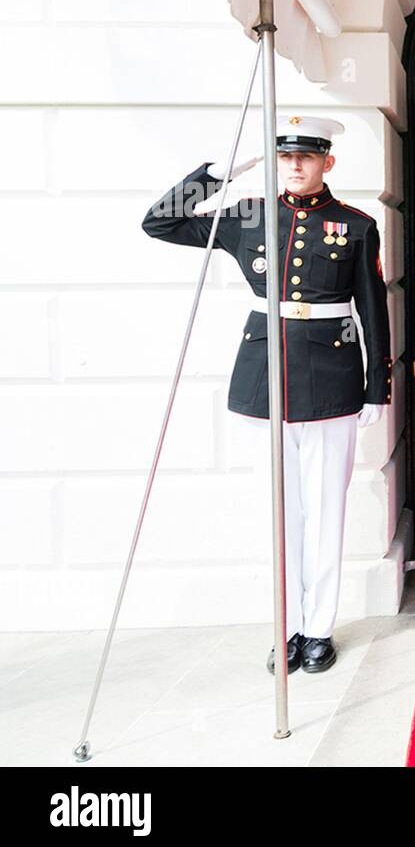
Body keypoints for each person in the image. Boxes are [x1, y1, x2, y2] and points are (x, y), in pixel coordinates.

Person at [142, 114, 392, 674]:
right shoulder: (249, 214)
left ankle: (319, 629)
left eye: (306, 156)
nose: (295, 165)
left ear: (328, 161)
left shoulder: (354, 225)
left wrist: (379, 384)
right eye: (285, 157)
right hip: (263, 378)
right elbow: (159, 222)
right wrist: (217, 173)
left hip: (331, 382)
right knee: (282, 515)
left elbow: (373, 309)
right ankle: (287, 628)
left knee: (326, 511)